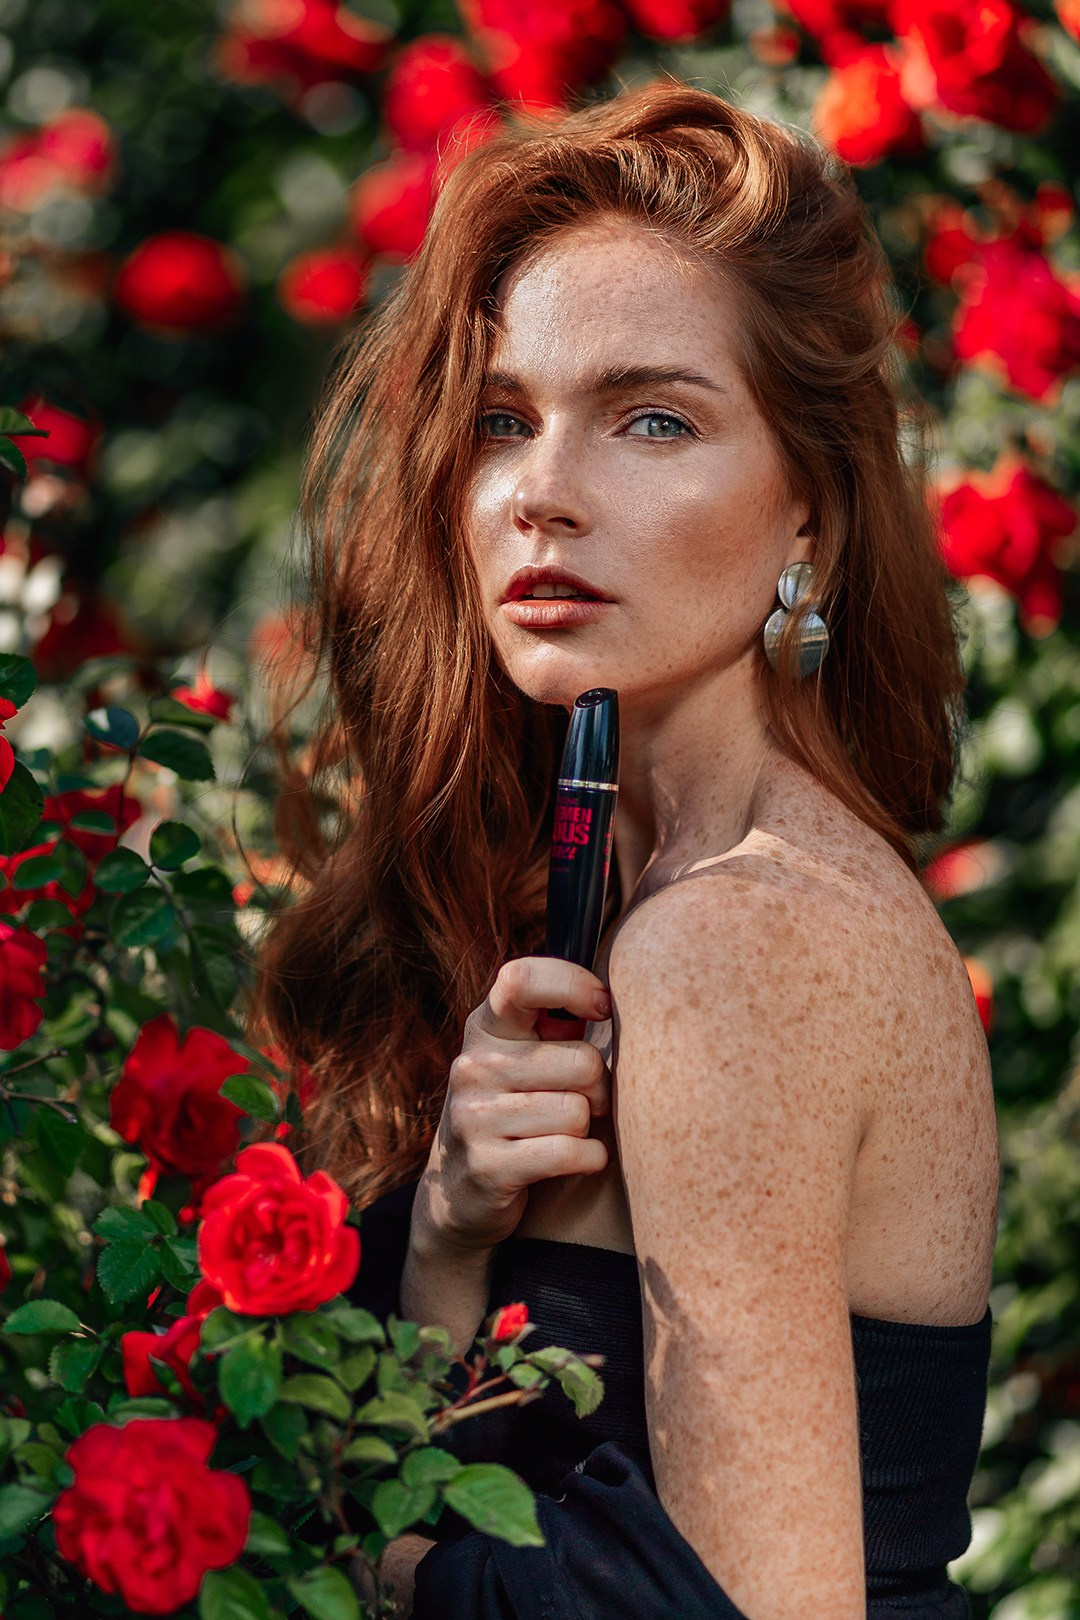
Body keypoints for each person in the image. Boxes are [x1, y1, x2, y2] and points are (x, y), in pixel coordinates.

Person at [255, 83, 1000, 1620]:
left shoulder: (741, 935)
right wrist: (451, 1237)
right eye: (504, 421)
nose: (542, 493)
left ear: (811, 510)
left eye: (653, 419)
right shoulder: (604, 894)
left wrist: (381, 1569)